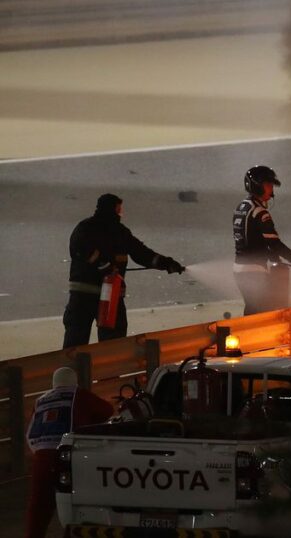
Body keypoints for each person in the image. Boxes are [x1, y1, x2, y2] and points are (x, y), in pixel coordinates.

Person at [63, 194, 185, 348]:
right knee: (81, 338)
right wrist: (104, 267)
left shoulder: (120, 232)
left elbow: (142, 253)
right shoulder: (87, 228)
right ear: (112, 208)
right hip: (86, 295)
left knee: (110, 342)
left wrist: (167, 263)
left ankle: (100, 370)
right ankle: (75, 371)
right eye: (119, 208)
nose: (121, 212)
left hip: (109, 295)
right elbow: (81, 249)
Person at [24, 367, 113, 538]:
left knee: (38, 506)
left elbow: (32, 431)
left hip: (40, 457)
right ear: (75, 381)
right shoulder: (79, 395)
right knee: (77, 502)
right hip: (69, 456)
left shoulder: (41, 400)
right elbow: (107, 410)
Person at [233, 165, 291, 315]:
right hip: (254, 272)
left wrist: (272, 256)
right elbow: (275, 243)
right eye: (268, 185)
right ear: (257, 186)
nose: (271, 189)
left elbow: (251, 239)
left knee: (252, 311)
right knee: (262, 315)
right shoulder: (260, 212)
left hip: (240, 270)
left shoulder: (242, 207)